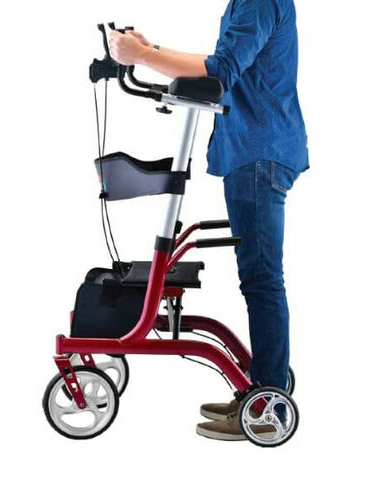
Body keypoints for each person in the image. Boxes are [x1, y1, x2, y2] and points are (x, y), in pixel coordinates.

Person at [109, 0, 308, 441]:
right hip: (254, 151)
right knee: (259, 279)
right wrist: (151, 50)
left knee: (261, 279)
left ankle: (268, 402)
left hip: (258, 152)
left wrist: (144, 56)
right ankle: (263, 384)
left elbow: (221, 71)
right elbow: (224, 63)